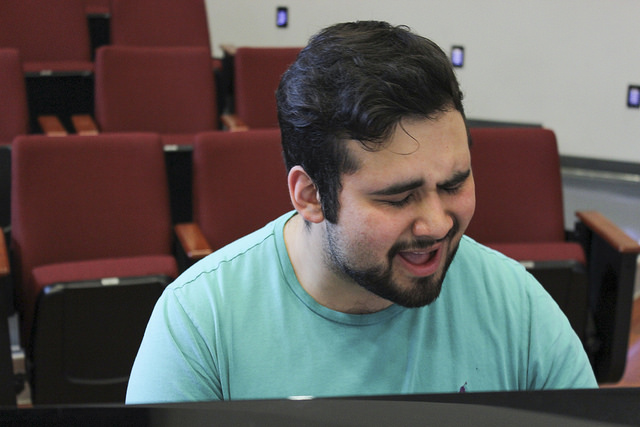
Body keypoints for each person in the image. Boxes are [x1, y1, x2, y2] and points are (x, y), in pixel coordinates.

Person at [125, 20, 597, 404]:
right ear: (310, 195)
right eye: (397, 198)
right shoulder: (199, 321)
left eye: (454, 184)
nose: (437, 224)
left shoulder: (515, 304)